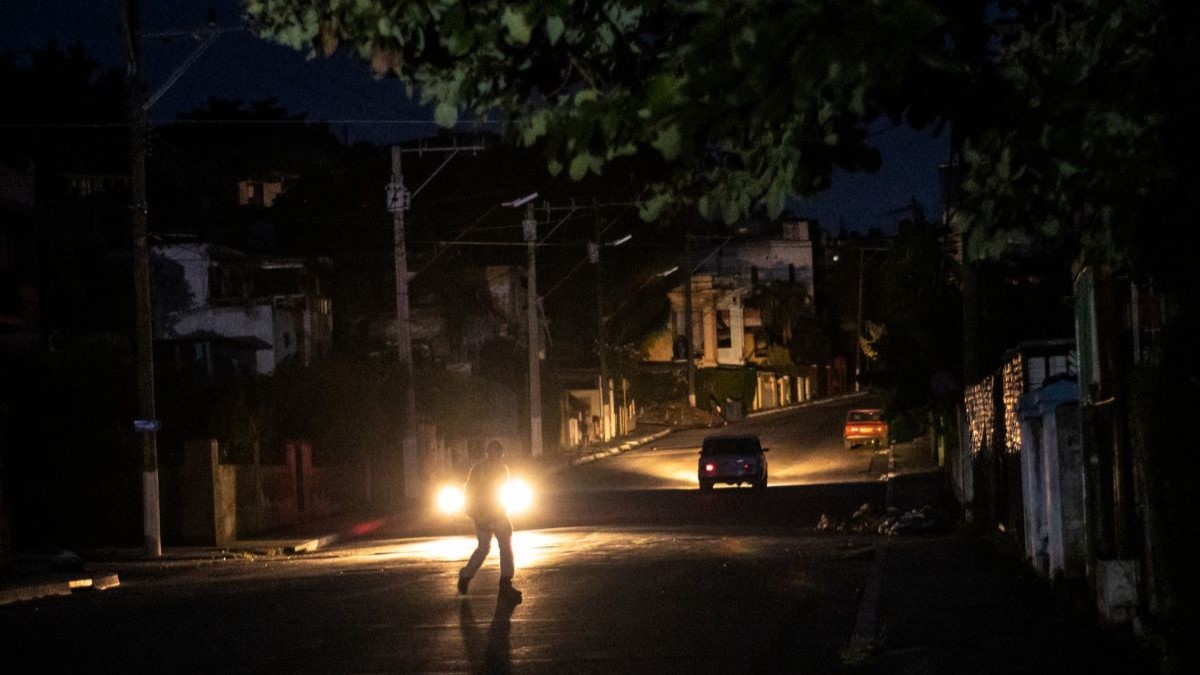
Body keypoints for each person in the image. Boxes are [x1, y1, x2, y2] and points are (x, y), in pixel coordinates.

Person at [458, 440, 522, 604]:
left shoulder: (478, 469)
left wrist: (474, 514)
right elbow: (496, 491)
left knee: (484, 548)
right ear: (500, 453)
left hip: (486, 515)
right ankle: (505, 582)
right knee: (503, 548)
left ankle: (466, 575)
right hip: (494, 514)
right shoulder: (501, 469)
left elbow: (470, 492)